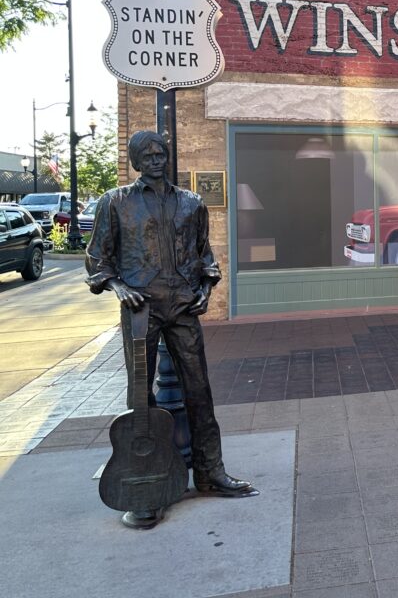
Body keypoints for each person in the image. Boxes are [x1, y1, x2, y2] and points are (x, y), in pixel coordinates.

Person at [87, 130, 256, 528]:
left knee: (199, 392)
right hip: (141, 308)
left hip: (182, 306)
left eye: (160, 152)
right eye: (146, 154)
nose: (155, 159)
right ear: (134, 160)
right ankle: (144, 488)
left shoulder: (191, 203)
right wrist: (118, 286)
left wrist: (205, 289)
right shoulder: (115, 203)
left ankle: (211, 472)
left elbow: (204, 257)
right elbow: (99, 259)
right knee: (141, 400)